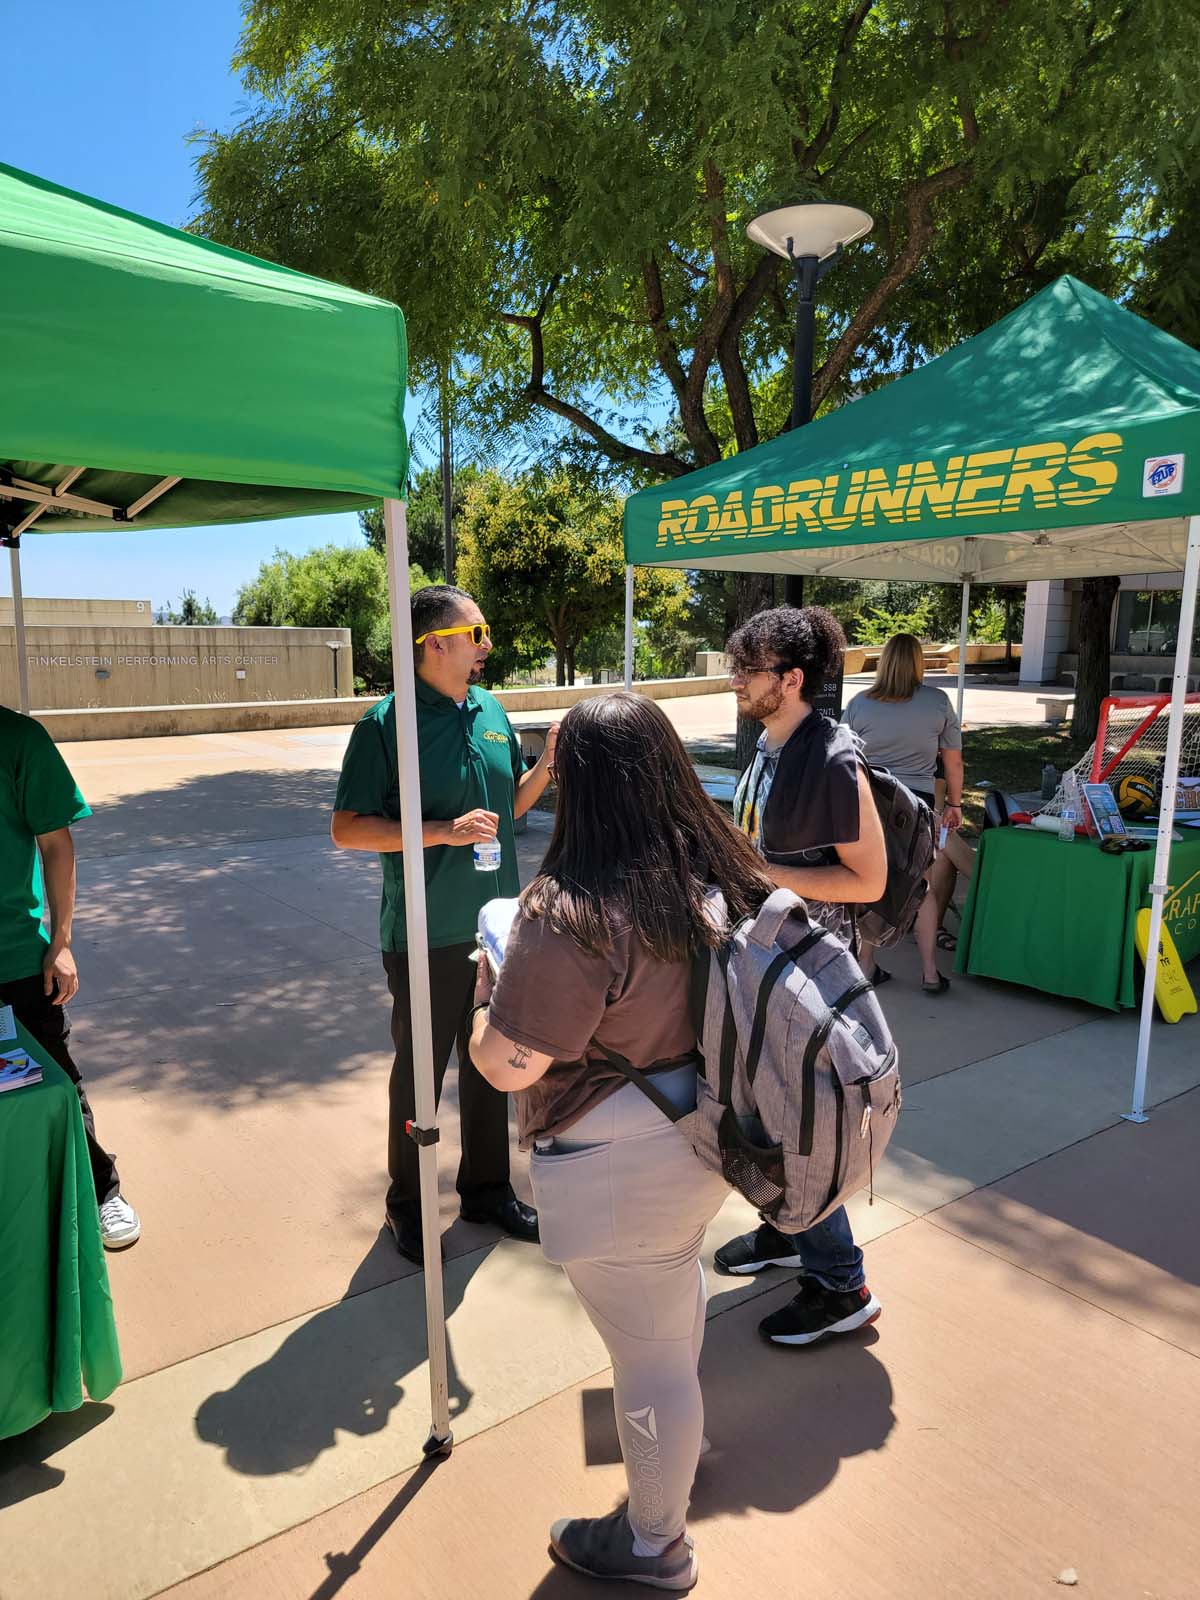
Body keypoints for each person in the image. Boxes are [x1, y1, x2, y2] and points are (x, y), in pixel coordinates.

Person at [469, 692, 773, 1592]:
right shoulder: (708, 870)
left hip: (612, 1160)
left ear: (578, 781)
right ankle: (675, 1460)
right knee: (669, 1320)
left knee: (644, 1358)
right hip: (699, 1134)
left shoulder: (571, 910)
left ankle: (654, 1543)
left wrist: (489, 989)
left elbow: (508, 1067)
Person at [331, 584, 556, 1266]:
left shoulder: (491, 709)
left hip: (497, 926)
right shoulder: (384, 724)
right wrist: (439, 833)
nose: (488, 644)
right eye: (476, 631)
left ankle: (487, 1189)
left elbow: (510, 806)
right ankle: (406, 1205)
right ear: (435, 643)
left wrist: (548, 765)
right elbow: (346, 829)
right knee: (420, 1075)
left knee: (491, 1064)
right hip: (425, 933)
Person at [712, 605, 888, 1347]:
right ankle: (788, 1231)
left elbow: (869, 881)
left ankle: (840, 1282)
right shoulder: (772, 743)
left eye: (747, 672)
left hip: (807, 976)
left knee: (798, 1120)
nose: (736, 683)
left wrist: (753, 869)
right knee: (764, 1113)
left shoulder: (831, 758)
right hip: (769, 963)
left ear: (789, 679)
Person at [0, 704, 140, 1247]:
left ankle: (102, 1191)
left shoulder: (19, 740)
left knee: (57, 1086)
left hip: (16, 959)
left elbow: (56, 844)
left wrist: (60, 943)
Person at [842, 632, 972, 992]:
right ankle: (930, 972)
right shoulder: (938, 702)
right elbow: (954, 763)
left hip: (871, 804)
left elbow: (842, 759)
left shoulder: (859, 704)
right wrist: (955, 805)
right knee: (924, 887)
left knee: (873, 885)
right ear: (918, 662)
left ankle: (866, 963)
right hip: (918, 806)